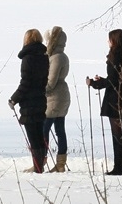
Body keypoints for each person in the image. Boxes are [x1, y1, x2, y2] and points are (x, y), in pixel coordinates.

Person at [86, 29, 122, 175]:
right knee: (118, 133)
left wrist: (94, 83)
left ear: (114, 41)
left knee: (117, 134)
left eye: (109, 39)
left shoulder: (115, 57)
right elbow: (117, 79)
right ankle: (119, 165)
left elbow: (112, 81)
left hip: (115, 99)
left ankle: (119, 167)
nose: (108, 42)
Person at [9, 29, 49, 173]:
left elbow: (25, 83)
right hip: (41, 99)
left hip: (29, 103)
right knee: (39, 135)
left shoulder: (28, 59)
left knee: (33, 136)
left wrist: (14, 99)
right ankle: (39, 165)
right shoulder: (44, 58)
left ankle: (38, 167)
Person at [43, 26, 71, 173]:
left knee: (44, 128)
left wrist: (41, 91)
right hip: (62, 97)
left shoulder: (56, 58)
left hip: (54, 98)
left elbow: (51, 81)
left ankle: (41, 159)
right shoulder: (61, 56)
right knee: (60, 130)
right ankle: (61, 163)